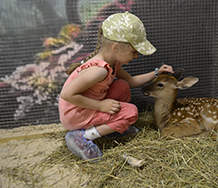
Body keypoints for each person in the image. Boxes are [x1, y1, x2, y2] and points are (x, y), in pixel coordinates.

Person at [59, 12, 173, 162]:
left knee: (122, 85)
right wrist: (100, 105)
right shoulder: (98, 70)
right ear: (116, 47)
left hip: (84, 107)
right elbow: (66, 95)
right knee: (131, 112)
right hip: (76, 113)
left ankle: (111, 128)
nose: (136, 56)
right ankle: (83, 137)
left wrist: (157, 72)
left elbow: (131, 81)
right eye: (134, 52)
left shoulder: (113, 63)